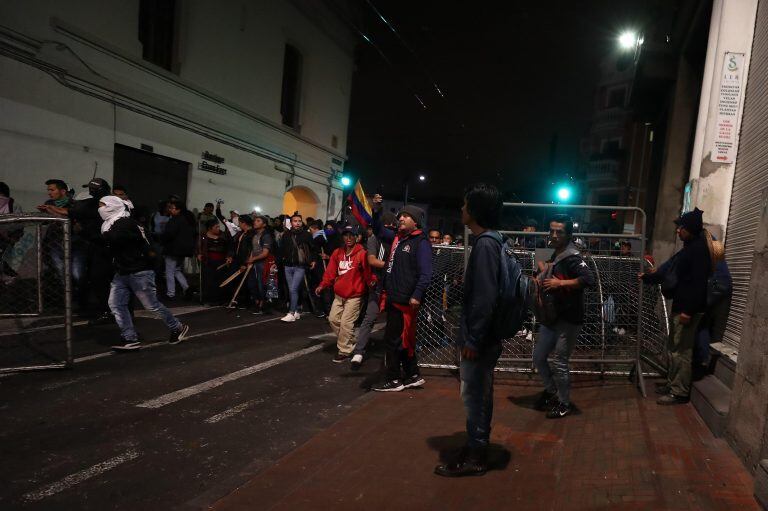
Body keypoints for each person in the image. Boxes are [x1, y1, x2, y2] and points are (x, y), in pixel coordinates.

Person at [435, 183, 504, 477]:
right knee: (478, 393)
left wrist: (473, 339)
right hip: (484, 335)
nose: (461, 209)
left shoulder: (486, 244)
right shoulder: (492, 241)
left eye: (465, 205)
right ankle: (476, 445)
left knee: (475, 395)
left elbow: (485, 298)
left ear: (475, 210)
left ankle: (476, 455)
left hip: (481, 338)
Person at [99, 195, 190, 350]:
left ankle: (178, 327)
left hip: (139, 271)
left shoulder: (124, 223)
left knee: (151, 305)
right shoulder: (113, 223)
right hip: (122, 271)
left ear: (114, 206)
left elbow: (117, 238)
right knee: (116, 304)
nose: (100, 209)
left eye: (103, 205)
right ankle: (130, 337)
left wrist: (101, 236)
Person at [641, 208, 711, 405]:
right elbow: (668, 269)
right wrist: (649, 277)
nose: (678, 230)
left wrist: (688, 311)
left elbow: (698, 284)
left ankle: (679, 392)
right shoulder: (689, 248)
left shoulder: (698, 251)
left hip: (687, 309)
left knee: (681, 351)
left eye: (681, 227)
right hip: (681, 306)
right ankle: (672, 384)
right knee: (674, 348)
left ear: (690, 229)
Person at [533, 214, 595, 418]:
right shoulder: (557, 254)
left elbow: (588, 279)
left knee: (560, 361)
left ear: (569, 234)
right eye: (551, 231)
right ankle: (552, 390)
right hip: (552, 317)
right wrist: (545, 270)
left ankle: (564, 402)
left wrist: (560, 284)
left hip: (568, 318)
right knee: (539, 357)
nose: (554, 235)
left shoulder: (573, 257)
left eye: (559, 232)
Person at [370, 194, 433, 392]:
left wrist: (416, 294)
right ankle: (413, 375)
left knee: (393, 341)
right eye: (401, 215)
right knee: (404, 340)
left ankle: (393, 379)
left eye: (406, 216)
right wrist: (377, 210)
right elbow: (379, 230)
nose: (401, 218)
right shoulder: (398, 238)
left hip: (404, 299)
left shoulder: (420, 242)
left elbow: (426, 273)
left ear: (416, 222)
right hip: (396, 296)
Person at [316, 225, 373, 363]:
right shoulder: (337, 253)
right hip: (339, 294)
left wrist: (372, 284)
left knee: (346, 323)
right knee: (333, 320)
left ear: (357, 237)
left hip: (355, 296)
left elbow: (368, 273)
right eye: (346, 235)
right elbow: (330, 272)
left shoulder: (362, 253)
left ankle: (345, 351)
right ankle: (354, 342)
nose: (348, 238)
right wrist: (323, 285)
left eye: (352, 235)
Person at [351, 212, 396, 370]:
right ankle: (359, 351)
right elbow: (372, 260)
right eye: (387, 226)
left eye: (392, 226)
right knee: (369, 318)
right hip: (378, 285)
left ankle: (390, 354)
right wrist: (392, 267)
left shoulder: (398, 239)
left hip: (395, 286)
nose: (389, 229)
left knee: (393, 321)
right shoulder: (374, 238)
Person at [68, 178, 115, 324]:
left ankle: (110, 311)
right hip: (96, 246)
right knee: (92, 278)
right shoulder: (93, 204)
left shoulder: (108, 204)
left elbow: (78, 211)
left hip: (106, 247)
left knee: (101, 279)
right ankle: (105, 309)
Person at [279, 212, 314, 322]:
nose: (297, 223)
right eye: (295, 221)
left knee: (293, 289)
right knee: (293, 289)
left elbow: (313, 248)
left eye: (299, 221)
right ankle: (298, 310)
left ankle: (291, 313)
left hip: (300, 266)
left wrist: (313, 260)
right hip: (288, 266)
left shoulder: (306, 235)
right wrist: (280, 261)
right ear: (291, 222)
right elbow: (282, 249)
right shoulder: (286, 234)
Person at [161, 200, 195, 300]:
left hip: (173, 249)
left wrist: (161, 239)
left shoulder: (175, 220)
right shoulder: (185, 220)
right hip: (182, 250)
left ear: (178, 210)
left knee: (169, 272)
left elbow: (169, 234)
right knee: (176, 270)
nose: (170, 209)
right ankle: (186, 288)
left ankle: (170, 293)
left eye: (172, 208)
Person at [198, 218, 231, 305]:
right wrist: (199, 254)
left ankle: (220, 299)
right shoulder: (203, 236)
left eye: (218, 227)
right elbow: (199, 247)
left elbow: (229, 247)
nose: (218, 229)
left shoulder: (223, 235)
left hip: (221, 262)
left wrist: (229, 256)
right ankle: (209, 300)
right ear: (210, 228)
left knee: (220, 280)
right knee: (209, 280)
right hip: (208, 261)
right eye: (216, 227)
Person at [247, 215, 274, 314]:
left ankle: (262, 305)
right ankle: (257, 302)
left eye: (258, 221)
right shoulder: (255, 235)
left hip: (263, 263)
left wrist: (253, 259)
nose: (255, 222)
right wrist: (250, 259)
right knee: (252, 284)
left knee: (261, 284)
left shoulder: (266, 236)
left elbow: (265, 253)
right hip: (254, 263)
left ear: (264, 224)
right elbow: (253, 249)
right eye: (255, 220)